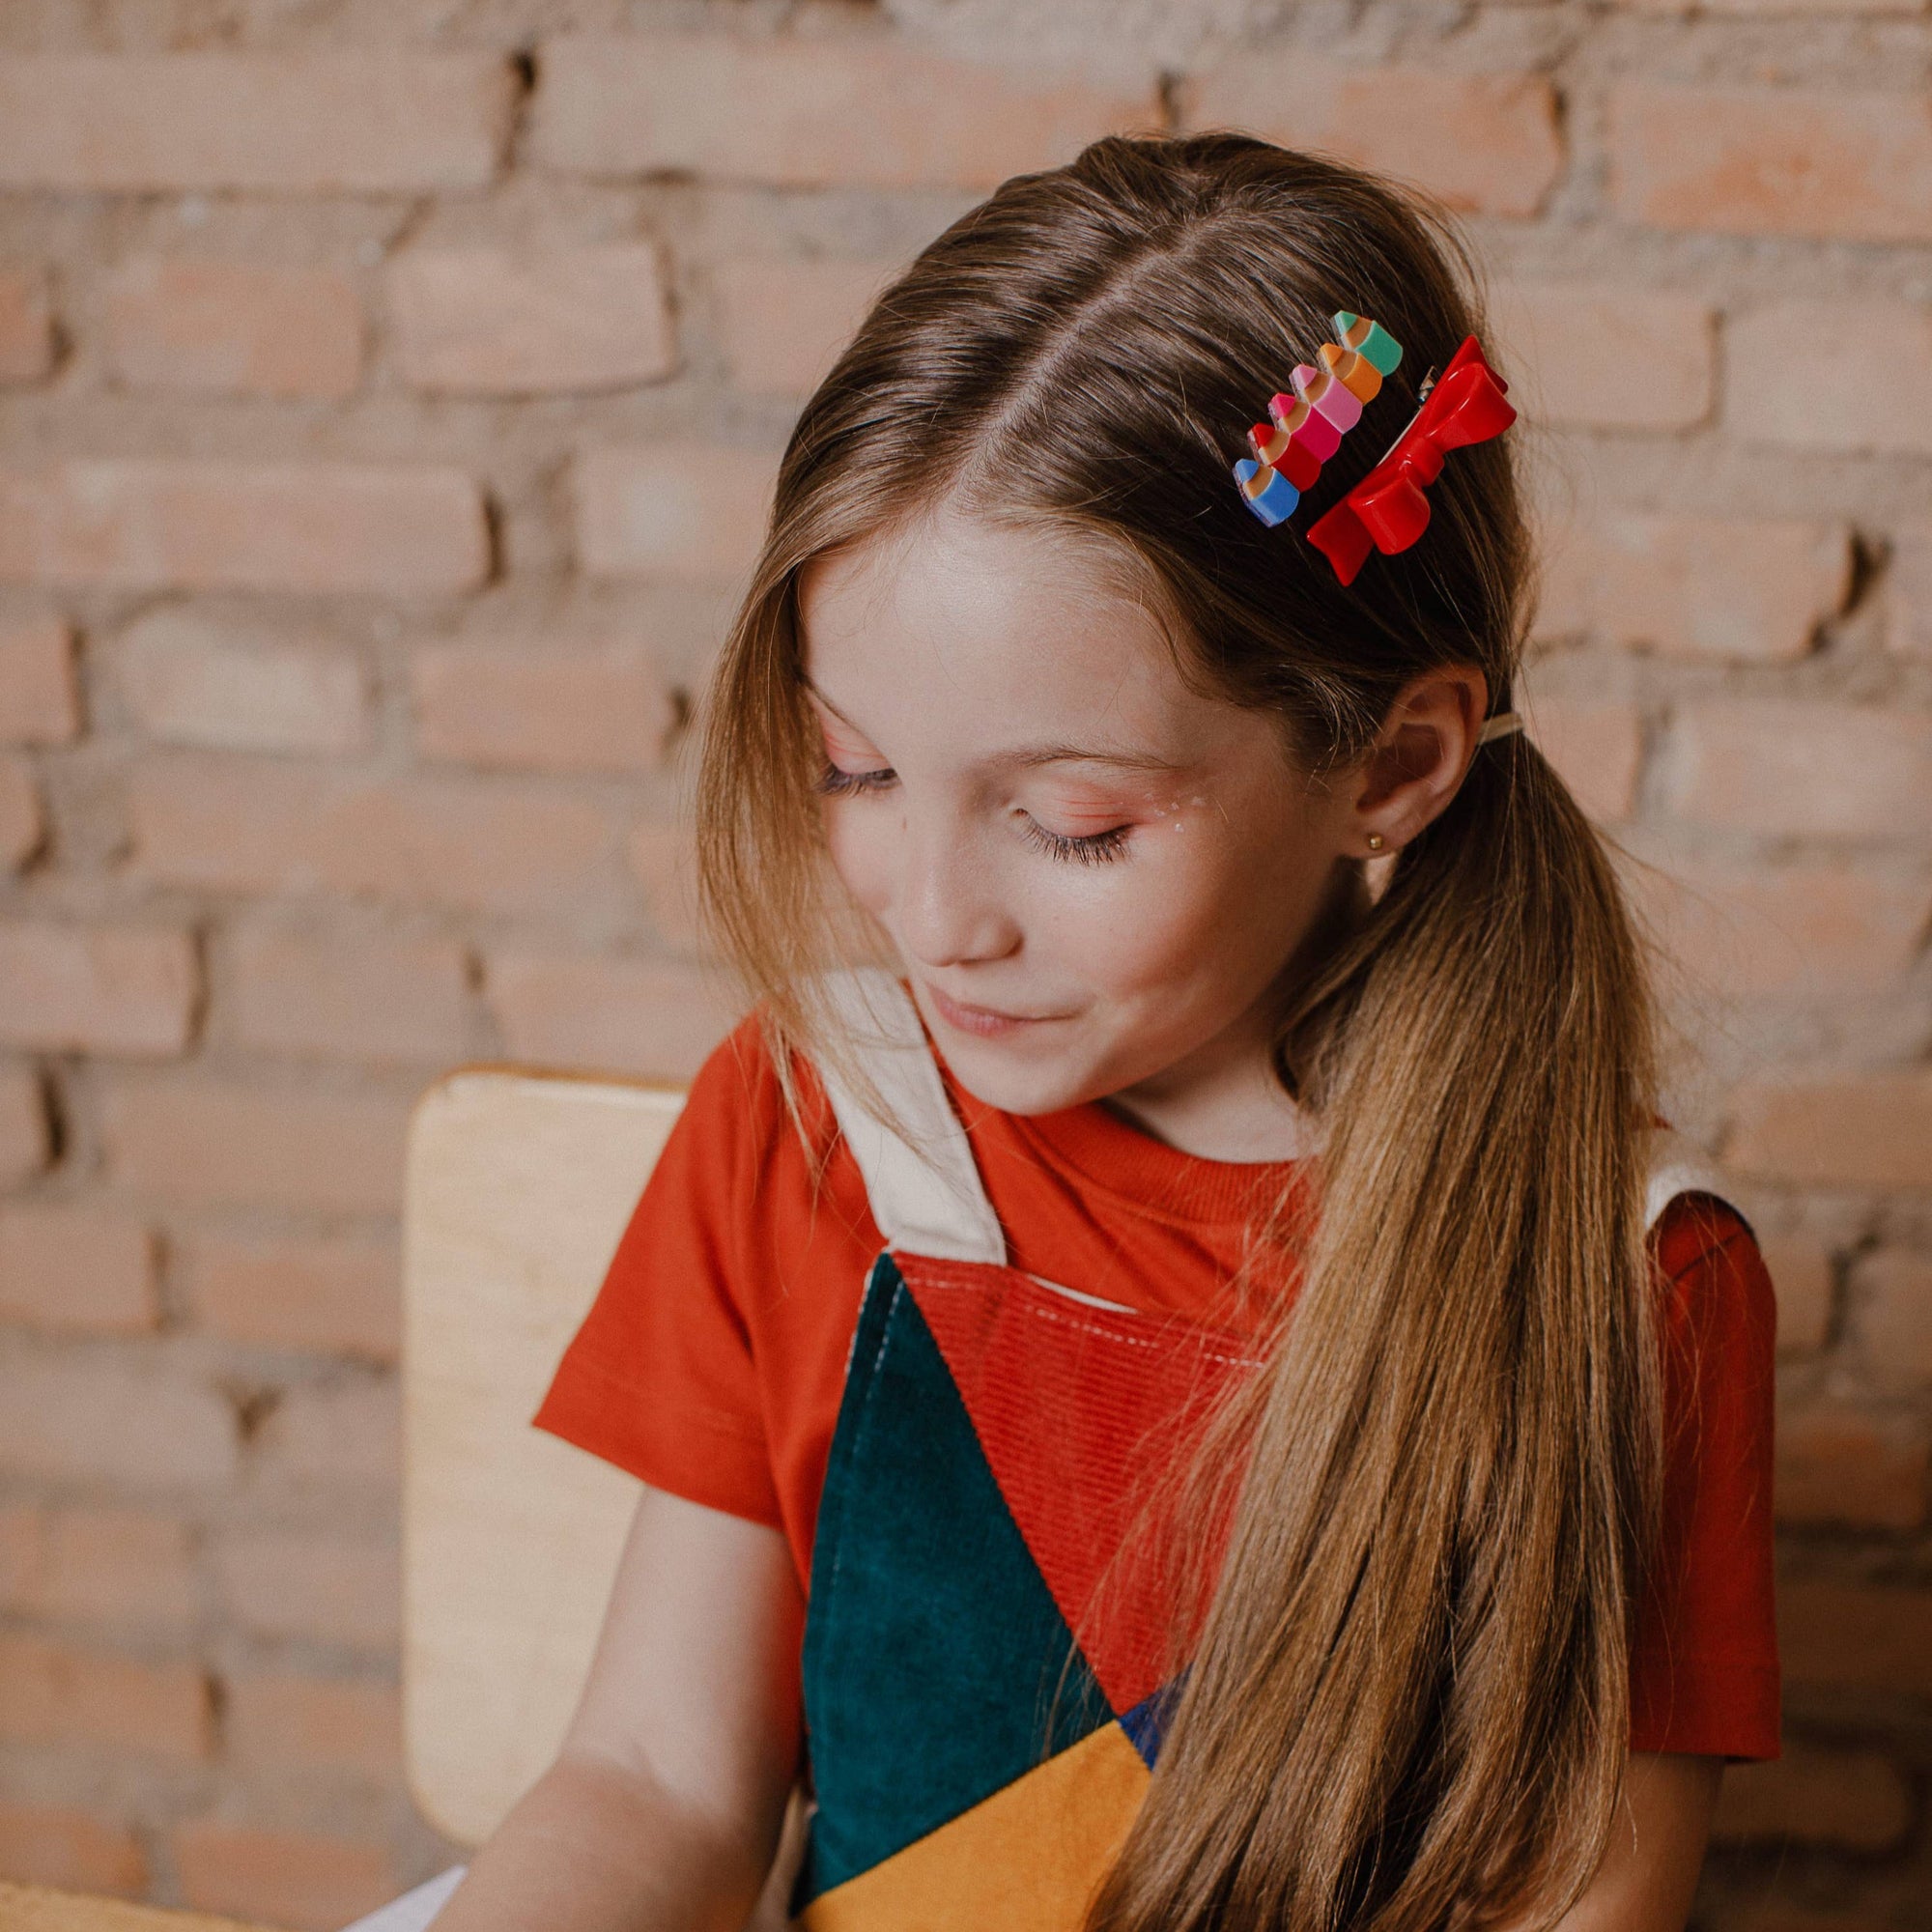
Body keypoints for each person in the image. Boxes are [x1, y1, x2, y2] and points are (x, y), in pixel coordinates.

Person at [430, 134, 1777, 1932]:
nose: (931, 911)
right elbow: (656, 1778)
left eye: (1072, 822)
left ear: (1390, 765)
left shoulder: (1626, 1280)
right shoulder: (820, 1117)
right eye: (859, 772)